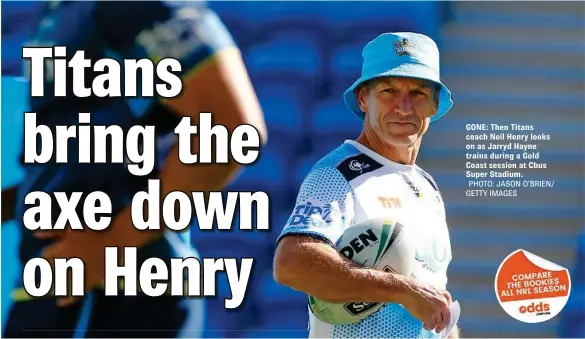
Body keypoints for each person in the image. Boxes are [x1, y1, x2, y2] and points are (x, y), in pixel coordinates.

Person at [3, 1, 266, 338]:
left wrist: (116, 243)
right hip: (59, 282)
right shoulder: (60, 11)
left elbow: (231, 127)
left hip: (117, 287)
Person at [273, 32, 458, 338]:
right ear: (363, 99)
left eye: (418, 93)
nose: (403, 106)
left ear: (434, 106)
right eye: (388, 91)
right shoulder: (337, 174)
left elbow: (435, 305)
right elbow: (291, 262)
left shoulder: (428, 188)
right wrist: (403, 290)